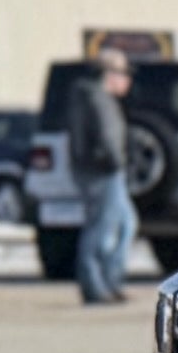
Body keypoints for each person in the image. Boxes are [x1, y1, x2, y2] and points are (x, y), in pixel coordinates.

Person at [64, 52, 138, 306]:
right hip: (102, 172)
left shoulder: (99, 99)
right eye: (124, 73)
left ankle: (110, 281)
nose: (128, 80)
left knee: (126, 224)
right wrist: (116, 162)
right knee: (100, 229)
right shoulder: (96, 99)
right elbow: (106, 139)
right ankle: (95, 287)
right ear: (110, 75)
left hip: (106, 171)